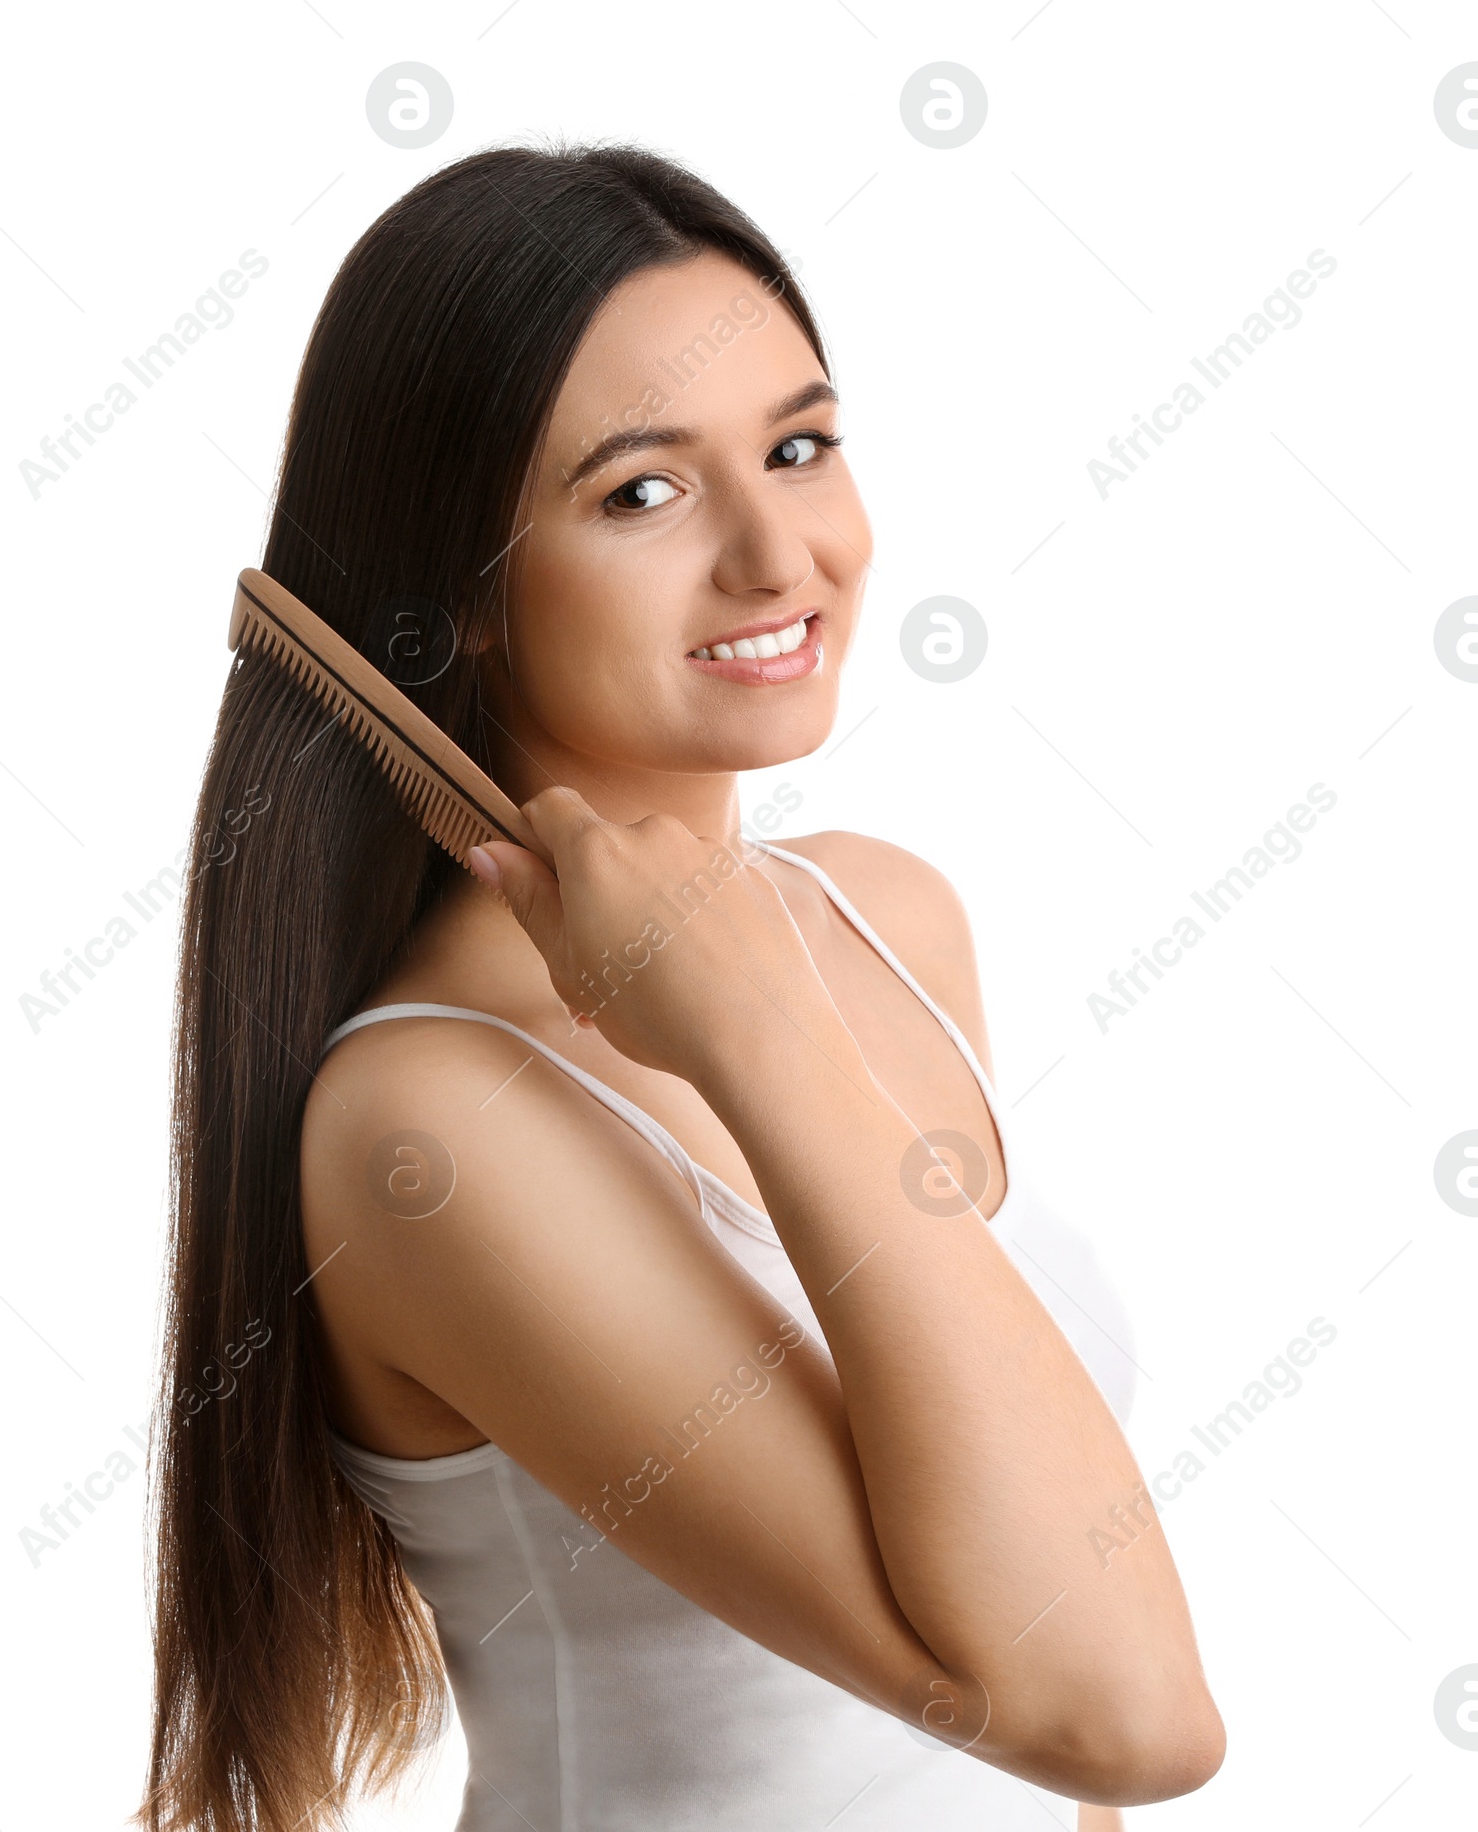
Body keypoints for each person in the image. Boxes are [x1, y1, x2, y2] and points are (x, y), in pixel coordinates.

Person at [139, 139, 1223, 1832]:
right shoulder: (427, 1122)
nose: (778, 555)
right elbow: (1118, 1711)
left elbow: (1036, 1711)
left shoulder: (886, 921)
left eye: (800, 446)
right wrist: (753, 1034)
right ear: (459, 600)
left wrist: (764, 989)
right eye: (643, 492)